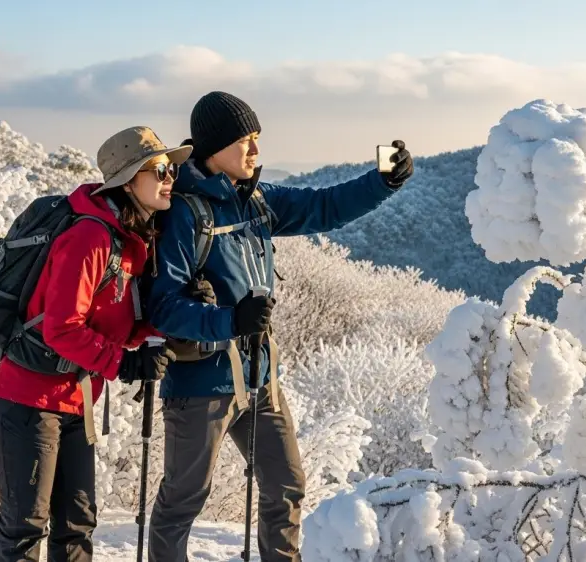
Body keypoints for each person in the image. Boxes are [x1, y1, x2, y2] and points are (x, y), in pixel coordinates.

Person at [144, 91, 414, 561]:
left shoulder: (256, 200)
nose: (255, 150)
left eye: (256, 139)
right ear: (213, 148)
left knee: (287, 485)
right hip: (201, 383)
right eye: (245, 140)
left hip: (260, 377)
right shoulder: (185, 214)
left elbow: (324, 207)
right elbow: (163, 307)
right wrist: (230, 320)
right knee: (183, 500)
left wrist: (382, 181)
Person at [0, 126, 206, 562]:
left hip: (75, 403)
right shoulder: (90, 238)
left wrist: (160, 335)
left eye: (172, 170)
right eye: (159, 169)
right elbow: (62, 329)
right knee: (26, 528)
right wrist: (123, 366)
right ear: (126, 180)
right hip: (28, 403)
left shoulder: (127, 242)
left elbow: (110, 327)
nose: (169, 179)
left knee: (77, 526)